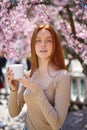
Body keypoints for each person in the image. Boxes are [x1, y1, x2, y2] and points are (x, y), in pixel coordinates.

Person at [6, 24, 71, 130]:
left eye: (48, 40)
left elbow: (57, 125)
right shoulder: (29, 74)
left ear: (55, 45)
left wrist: (36, 89)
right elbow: (13, 113)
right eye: (38, 40)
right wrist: (13, 89)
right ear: (33, 45)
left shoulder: (62, 76)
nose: (43, 45)